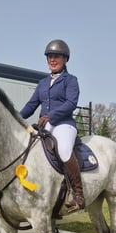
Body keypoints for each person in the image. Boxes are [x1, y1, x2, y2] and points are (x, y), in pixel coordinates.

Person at [19, 39, 85, 212]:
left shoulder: (70, 80)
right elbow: (31, 105)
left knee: (63, 150)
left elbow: (71, 103)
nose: (52, 60)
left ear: (65, 59)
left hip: (63, 124)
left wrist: (51, 116)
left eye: (56, 57)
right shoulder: (42, 83)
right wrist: (15, 118)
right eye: (49, 57)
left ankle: (78, 194)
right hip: (45, 127)